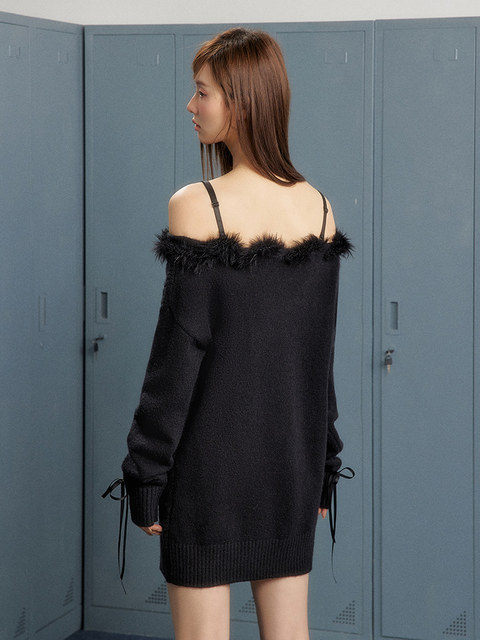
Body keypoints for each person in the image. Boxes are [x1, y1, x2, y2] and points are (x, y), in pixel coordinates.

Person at [102, 26, 354, 640]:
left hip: (208, 473)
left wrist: (146, 474)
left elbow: (175, 362)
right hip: (290, 468)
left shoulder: (197, 205)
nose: (190, 105)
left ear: (240, 101)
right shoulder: (320, 208)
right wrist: (324, 464)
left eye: (202, 91)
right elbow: (316, 361)